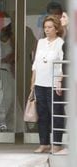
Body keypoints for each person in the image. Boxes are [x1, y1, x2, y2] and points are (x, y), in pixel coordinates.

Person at [31, 15, 65, 154]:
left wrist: (59, 80)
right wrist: (32, 83)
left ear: (56, 29)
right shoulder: (40, 42)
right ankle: (44, 143)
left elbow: (63, 64)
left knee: (55, 113)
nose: (47, 30)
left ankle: (56, 144)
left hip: (53, 83)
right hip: (40, 83)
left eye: (50, 27)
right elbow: (35, 64)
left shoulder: (60, 42)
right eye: (45, 27)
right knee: (42, 114)